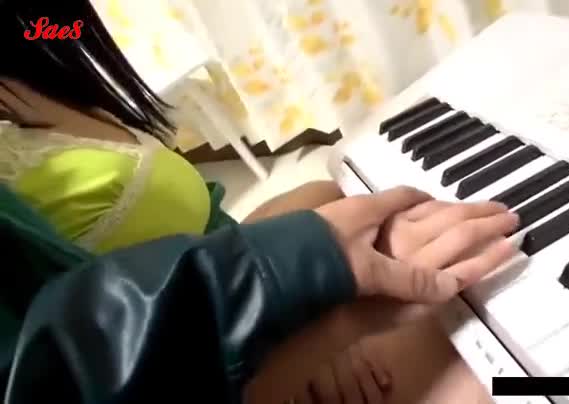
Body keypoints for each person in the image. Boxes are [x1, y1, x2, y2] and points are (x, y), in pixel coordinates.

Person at [0, 0, 519, 402]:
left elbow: (54, 30)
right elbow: (72, 370)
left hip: (208, 272)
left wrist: (297, 278)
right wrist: (308, 330)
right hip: (191, 353)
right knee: (485, 355)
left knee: (337, 188)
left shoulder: (38, 37)